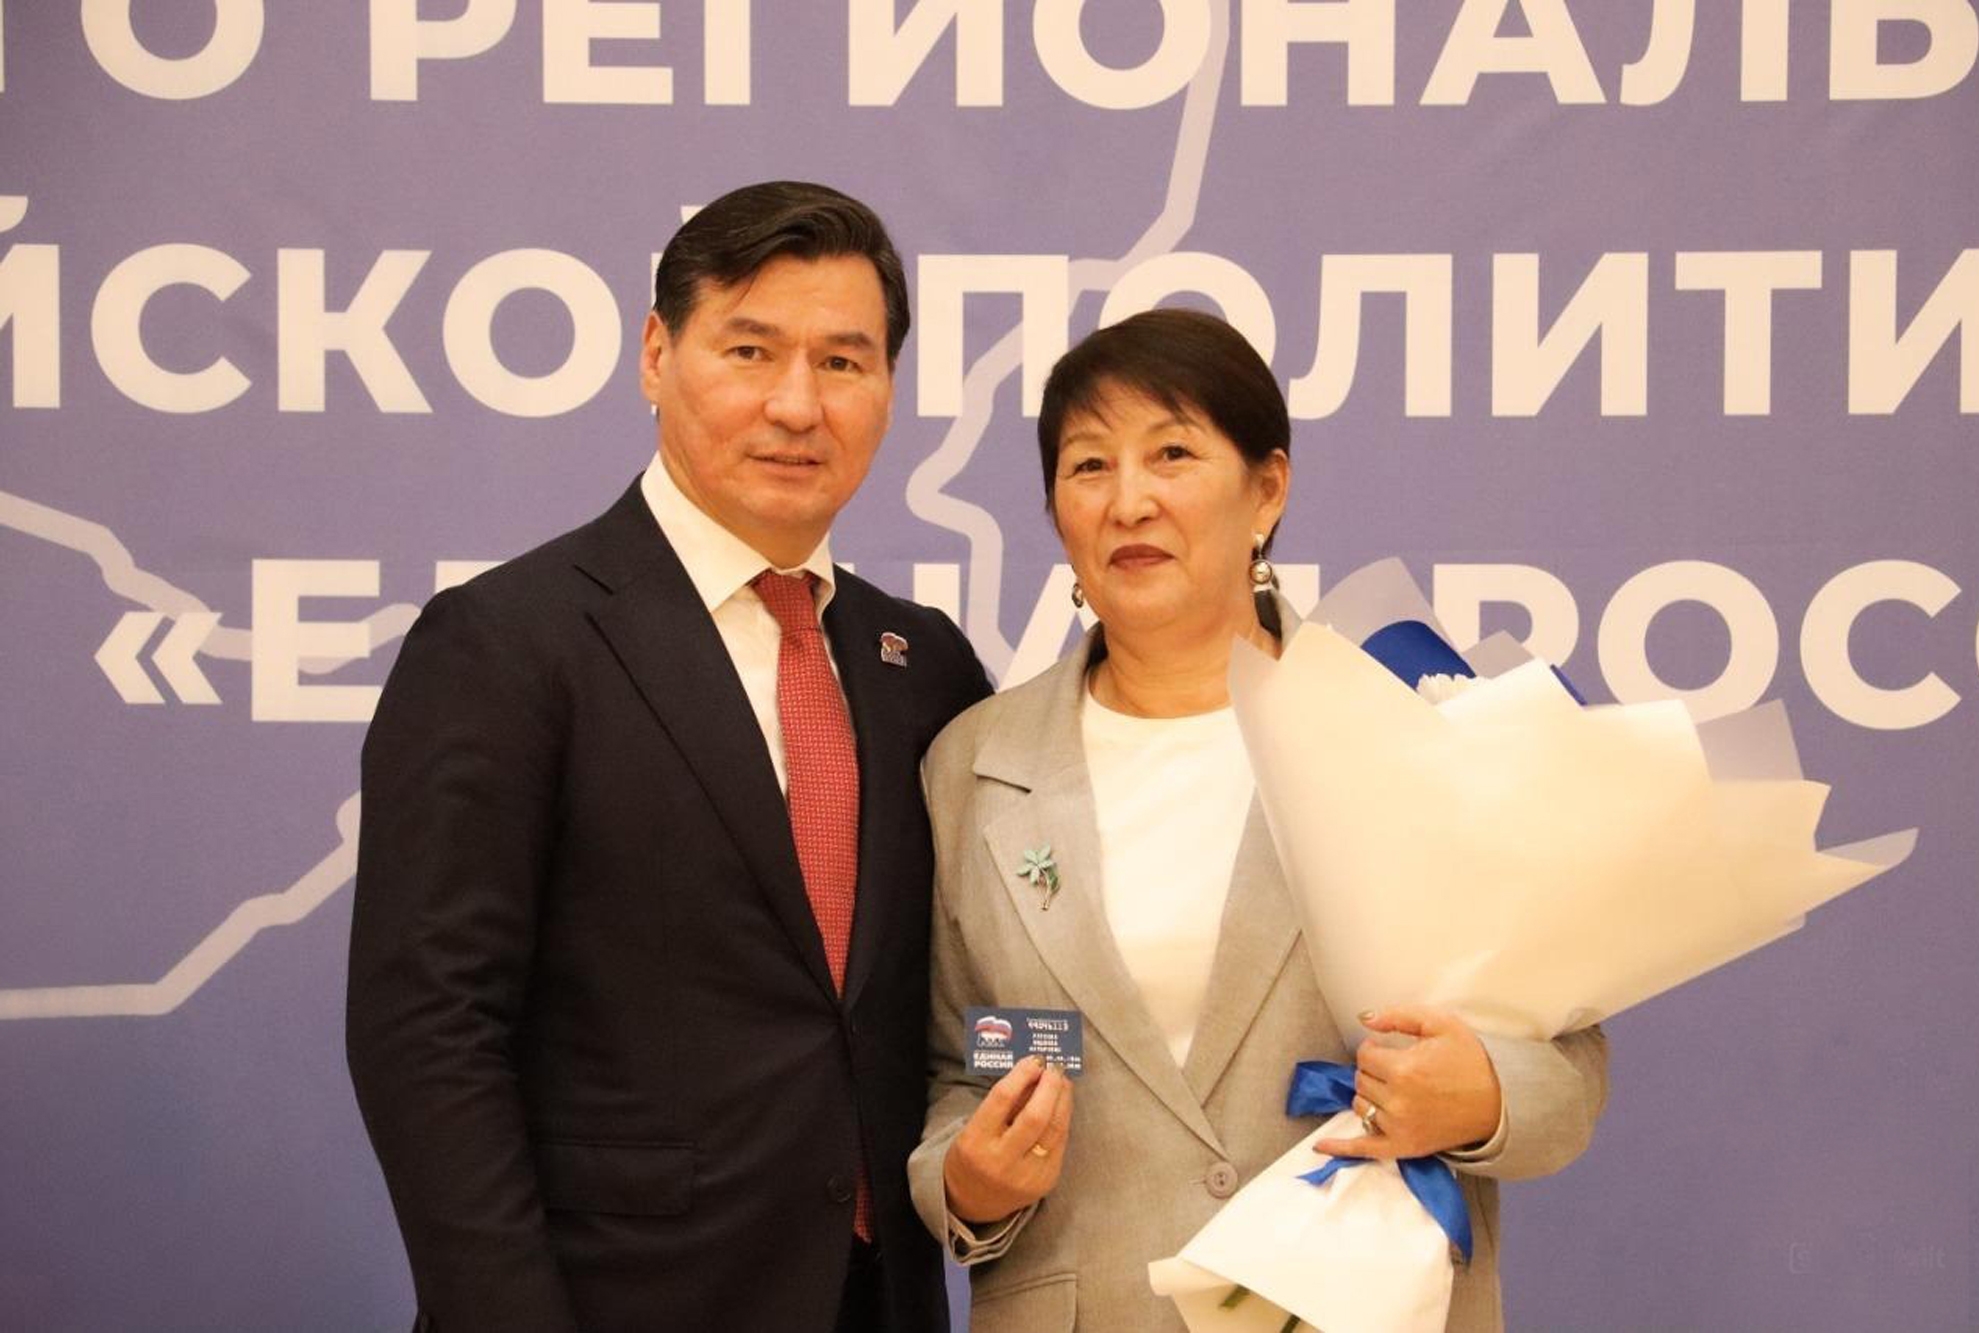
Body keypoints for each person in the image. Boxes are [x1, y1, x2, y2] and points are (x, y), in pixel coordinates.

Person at [347, 180, 991, 1333]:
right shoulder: (507, 641)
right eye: (750, 351)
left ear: (888, 389)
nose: (796, 404)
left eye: (842, 362)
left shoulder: (923, 664)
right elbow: (428, 1030)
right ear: (655, 354)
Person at [907, 309, 1608, 1331]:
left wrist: (1485, 1094)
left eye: (1173, 454)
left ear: (1267, 489)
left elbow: (1570, 1064)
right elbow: (952, 1067)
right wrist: (966, 1181)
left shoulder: (1408, 724)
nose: (1128, 501)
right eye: (1089, 465)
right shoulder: (973, 764)